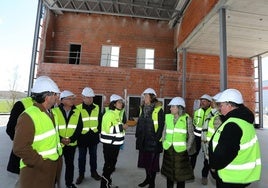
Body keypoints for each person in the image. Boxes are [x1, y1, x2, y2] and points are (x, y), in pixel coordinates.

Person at [13, 76, 63, 188]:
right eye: (55, 94)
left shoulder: (52, 113)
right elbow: (20, 148)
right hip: (35, 171)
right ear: (47, 96)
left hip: (50, 168)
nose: (57, 97)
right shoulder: (28, 116)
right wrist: (42, 163)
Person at [209, 88, 261, 188]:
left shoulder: (232, 125)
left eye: (221, 105)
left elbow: (225, 153)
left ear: (229, 105)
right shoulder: (244, 121)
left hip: (230, 177)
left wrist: (214, 166)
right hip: (239, 176)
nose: (220, 108)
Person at [161, 97, 195, 188]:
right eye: (171, 107)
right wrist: (164, 143)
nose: (170, 108)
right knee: (169, 174)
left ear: (179, 108)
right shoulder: (168, 117)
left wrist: (187, 148)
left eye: (173, 107)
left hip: (181, 151)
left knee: (181, 176)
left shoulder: (187, 118)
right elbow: (164, 131)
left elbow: (191, 135)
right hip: (168, 149)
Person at [52, 90, 83, 188]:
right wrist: (60, 139)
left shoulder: (77, 112)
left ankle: (69, 184)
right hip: (58, 144)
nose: (72, 100)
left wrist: (71, 139)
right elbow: (53, 128)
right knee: (56, 166)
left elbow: (79, 127)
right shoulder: (55, 112)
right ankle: (53, 184)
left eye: (72, 98)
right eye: (69, 98)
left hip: (71, 144)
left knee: (70, 165)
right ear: (62, 100)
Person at [135, 88, 165, 188]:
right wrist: (137, 135)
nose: (145, 98)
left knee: (152, 164)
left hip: (153, 141)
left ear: (152, 97)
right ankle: (147, 179)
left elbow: (161, 126)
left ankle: (152, 182)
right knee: (146, 162)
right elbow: (140, 123)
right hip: (143, 139)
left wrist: (156, 140)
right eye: (144, 96)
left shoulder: (158, 110)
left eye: (147, 96)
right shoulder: (142, 108)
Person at [100, 94, 128, 188]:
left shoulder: (116, 114)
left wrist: (122, 129)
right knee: (108, 166)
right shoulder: (109, 114)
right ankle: (104, 185)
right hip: (109, 145)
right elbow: (108, 129)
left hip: (115, 144)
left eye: (121, 102)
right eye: (119, 102)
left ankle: (108, 183)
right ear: (114, 104)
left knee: (111, 165)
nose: (121, 104)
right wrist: (122, 127)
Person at [76, 87, 102, 184]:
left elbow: (100, 120)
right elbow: (76, 124)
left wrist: (99, 131)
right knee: (81, 158)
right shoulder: (77, 109)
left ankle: (93, 172)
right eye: (88, 97)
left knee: (93, 156)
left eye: (91, 97)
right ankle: (81, 175)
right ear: (83, 97)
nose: (90, 99)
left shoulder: (97, 107)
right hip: (82, 137)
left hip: (93, 137)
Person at [6, 96, 35, 175]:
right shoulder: (21, 105)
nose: (57, 97)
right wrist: (21, 143)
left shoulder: (51, 107)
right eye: (55, 94)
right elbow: (10, 129)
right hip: (24, 156)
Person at [200, 92, 222, 185]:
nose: (212, 103)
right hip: (207, 146)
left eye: (213, 101)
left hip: (213, 148)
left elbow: (219, 135)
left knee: (213, 168)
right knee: (206, 163)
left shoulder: (217, 117)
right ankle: (204, 176)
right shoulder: (212, 113)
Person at [190, 94, 212, 169]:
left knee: (207, 156)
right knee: (193, 155)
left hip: (207, 139)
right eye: (201, 101)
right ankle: (190, 172)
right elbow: (194, 124)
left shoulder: (212, 113)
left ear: (209, 102)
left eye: (204, 101)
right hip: (197, 137)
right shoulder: (197, 112)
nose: (202, 102)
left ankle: (204, 175)